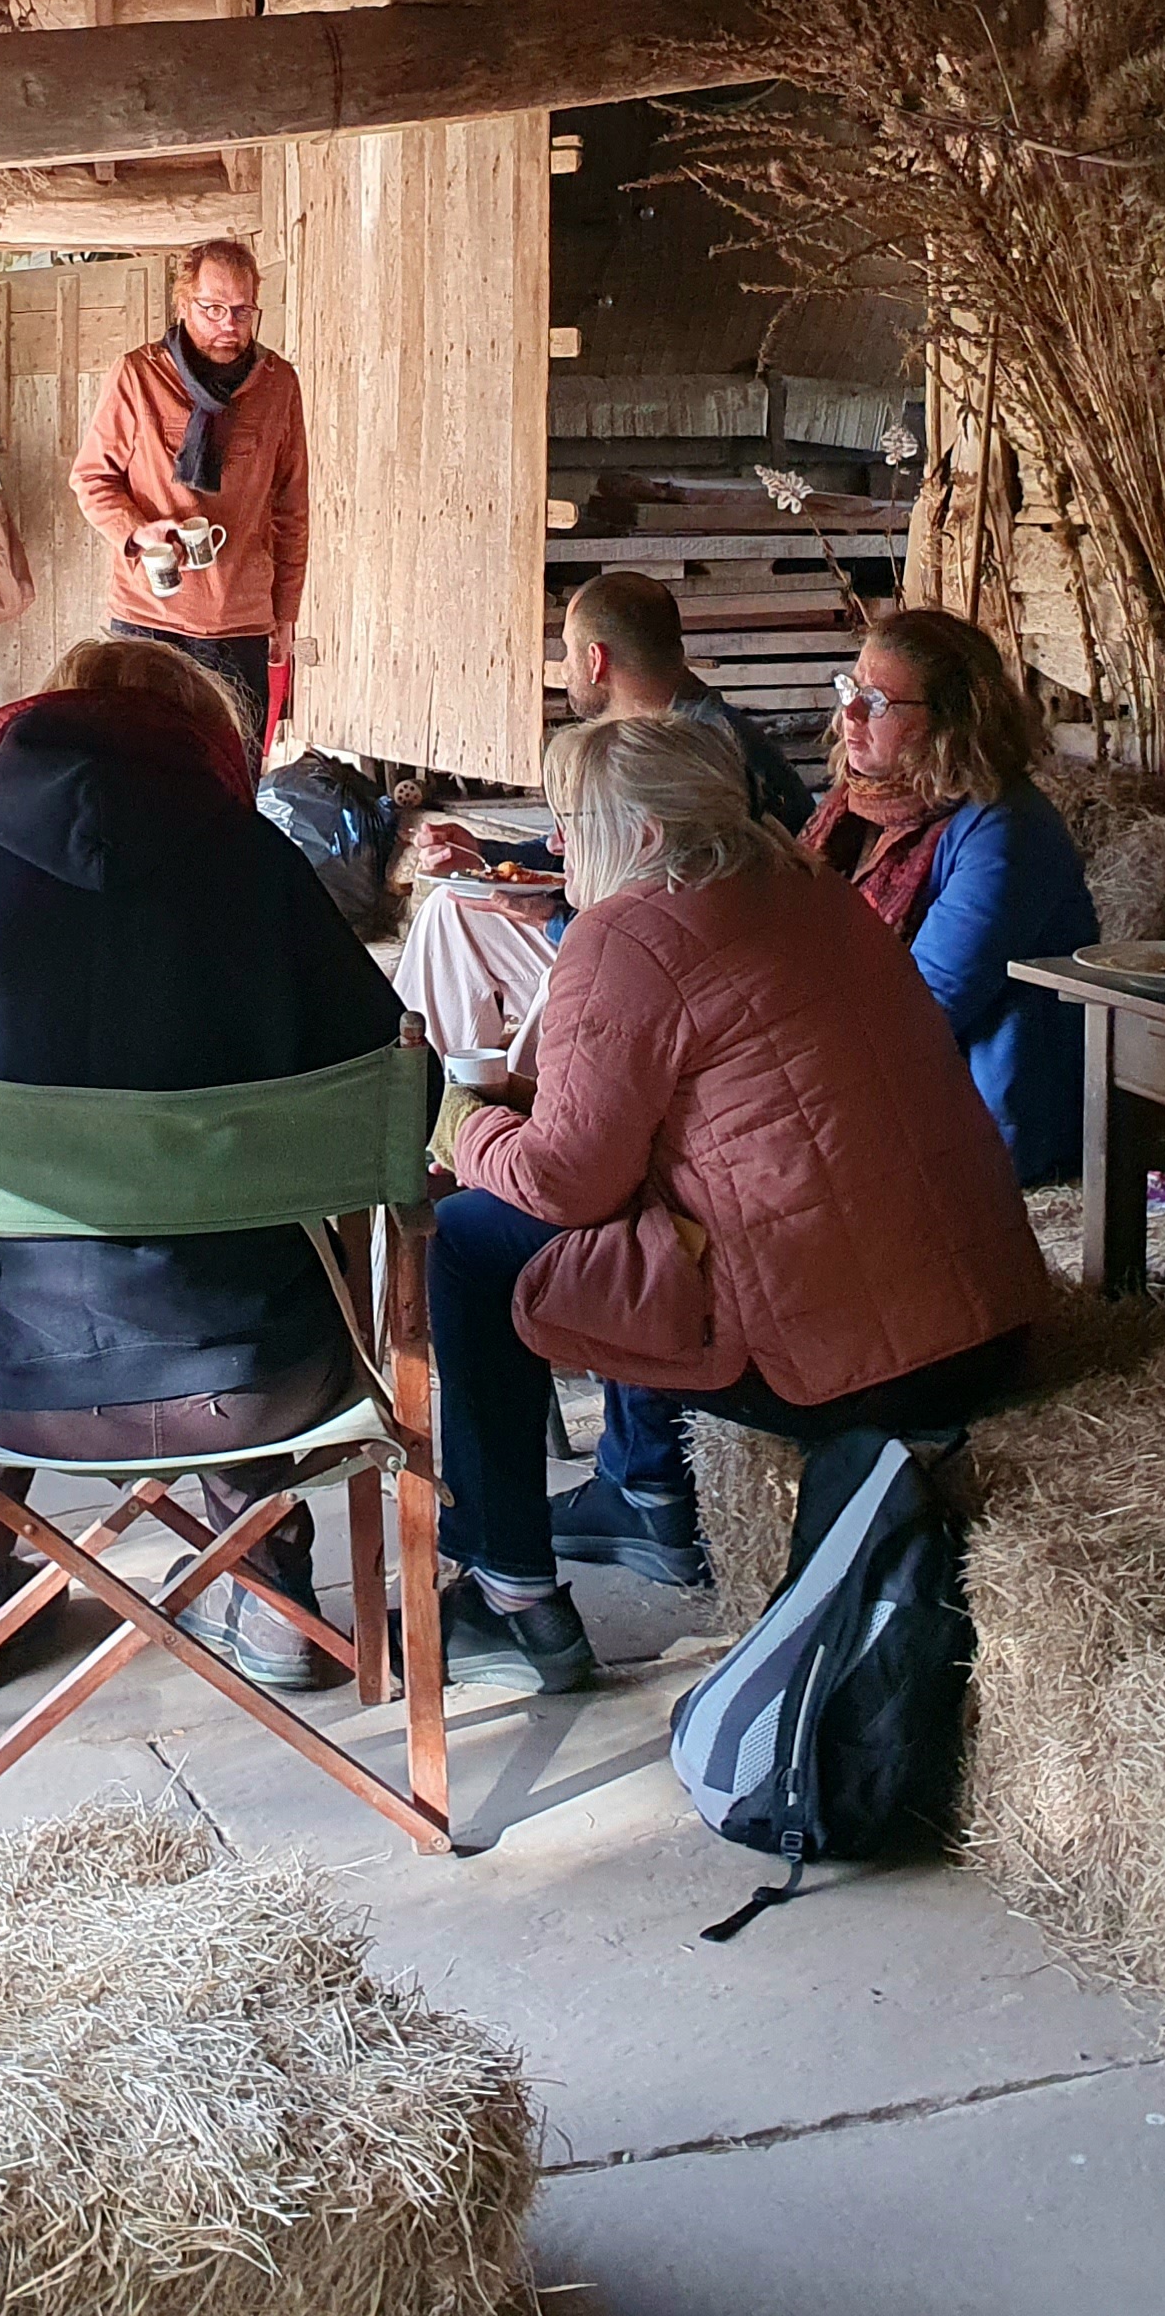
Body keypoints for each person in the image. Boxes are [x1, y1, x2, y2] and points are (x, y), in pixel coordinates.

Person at [0, 638, 409, 1693]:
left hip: (2, 1383)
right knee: (222, 1285)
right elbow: (390, 1097)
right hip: (254, 1380)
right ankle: (274, 1593)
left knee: (5, 1285)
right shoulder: (266, 875)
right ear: (203, 747)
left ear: (32, 732)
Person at [422, 717, 1043, 1682]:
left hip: (847, 1367)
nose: (553, 844)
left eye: (569, 819)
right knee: (658, 1221)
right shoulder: (815, 894)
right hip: (986, 1325)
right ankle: (647, 1498)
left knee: (467, 1237)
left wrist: (460, 1126)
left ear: (643, 836)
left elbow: (563, 1183)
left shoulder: (625, 931)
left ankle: (513, 1593)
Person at [398, 569, 813, 1062]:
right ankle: (422, 1097)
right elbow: (598, 853)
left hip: (693, 971)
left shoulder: (695, 757)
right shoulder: (659, 728)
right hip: (627, 933)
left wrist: (554, 920)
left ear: (595, 661)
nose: (564, 667)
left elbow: (678, 926)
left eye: (567, 653)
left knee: (574, 971)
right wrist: (487, 856)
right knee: (451, 910)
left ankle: (507, 1104)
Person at [796, 608, 1098, 1186]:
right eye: (850, 689)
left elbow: (924, 1006)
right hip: (870, 1067)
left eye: (878, 702)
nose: (851, 714)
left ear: (952, 721)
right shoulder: (856, 806)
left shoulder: (1004, 828)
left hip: (972, 1110)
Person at [69, 238, 306, 754]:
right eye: (213, 308)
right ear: (184, 304)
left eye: (243, 311)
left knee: (232, 776)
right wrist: (136, 530)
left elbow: (291, 505)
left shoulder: (277, 384)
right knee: (139, 774)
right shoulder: (138, 376)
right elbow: (91, 478)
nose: (229, 324)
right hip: (148, 619)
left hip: (240, 619)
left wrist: (285, 613)